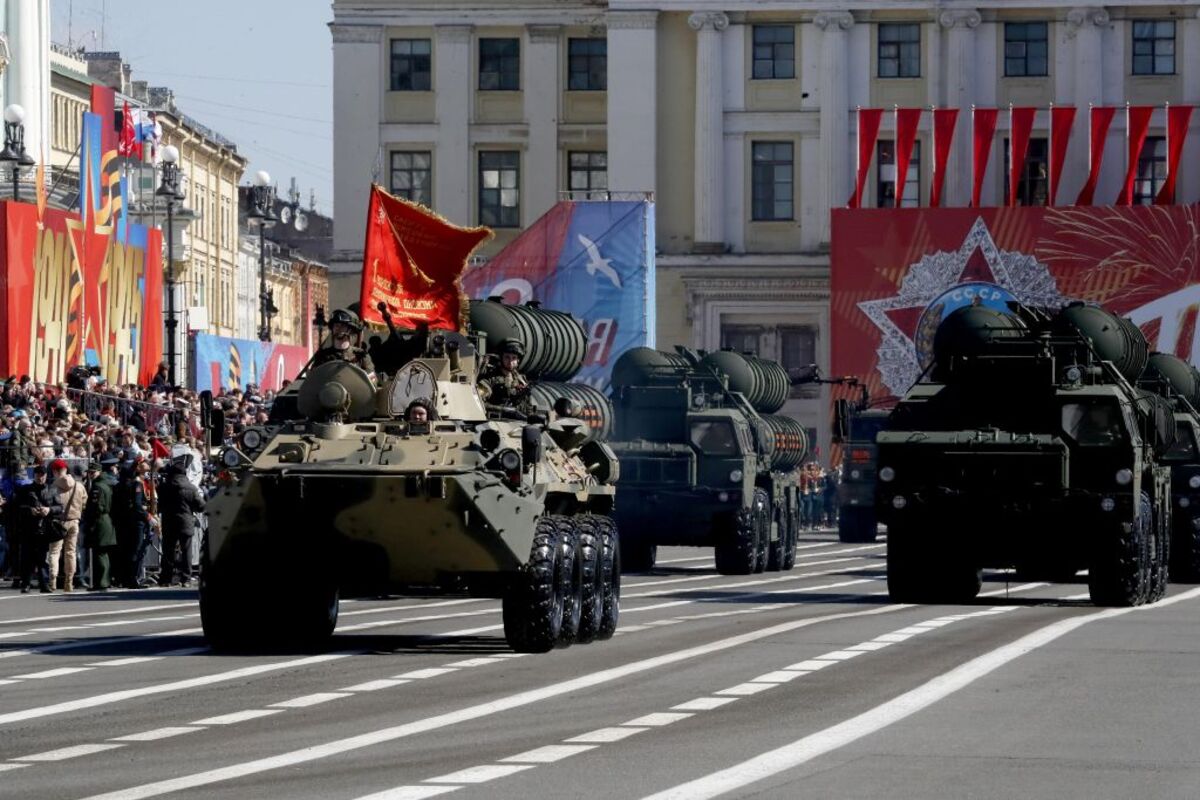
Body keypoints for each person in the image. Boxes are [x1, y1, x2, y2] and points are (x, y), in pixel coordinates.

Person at [157, 456, 205, 587]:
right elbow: (201, 506)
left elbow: (159, 505)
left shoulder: (164, 487)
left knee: (168, 551)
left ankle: (166, 578)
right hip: (185, 521)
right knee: (186, 551)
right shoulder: (191, 488)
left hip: (169, 521)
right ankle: (186, 579)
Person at [14, 465, 56, 593]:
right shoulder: (25, 490)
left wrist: (49, 510)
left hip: (44, 529)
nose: (40, 477)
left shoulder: (51, 490)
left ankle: (44, 584)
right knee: (27, 558)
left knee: (42, 559)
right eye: (38, 474)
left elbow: (60, 507)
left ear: (46, 476)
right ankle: (26, 584)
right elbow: (16, 507)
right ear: (34, 475)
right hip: (28, 529)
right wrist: (29, 510)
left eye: (42, 475)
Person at [47, 458, 85, 592]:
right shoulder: (79, 485)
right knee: (71, 552)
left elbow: (49, 504)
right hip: (74, 521)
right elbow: (84, 503)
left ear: (56, 471)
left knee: (55, 552)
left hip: (58, 523)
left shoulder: (53, 487)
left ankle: (53, 581)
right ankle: (69, 582)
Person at [84, 458, 119, 591]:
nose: (91, 475)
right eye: (90, 472)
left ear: (99, 472)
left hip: (99, 521)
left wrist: (89, 518)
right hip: (105, 521)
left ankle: (102, 582)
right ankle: (103, 581)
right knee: (102, 553)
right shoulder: (106, 484)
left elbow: (97, 507)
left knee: (99, 553)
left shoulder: (97, 486)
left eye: (93, 472)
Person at [309, 308, 375, 373]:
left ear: (351, 330)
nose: (338, 328)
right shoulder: (322, 356)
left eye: (343, 326)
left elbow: (371, 381)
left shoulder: (361, 356)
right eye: (336, 325)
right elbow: (313, 380)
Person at [478, 339, 530, 407]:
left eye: (514, 358)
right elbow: (478, 398)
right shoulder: (491, 378)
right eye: (507, 357)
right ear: (501, 358)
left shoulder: (521, 381)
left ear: (518, 361)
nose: (510, 361)